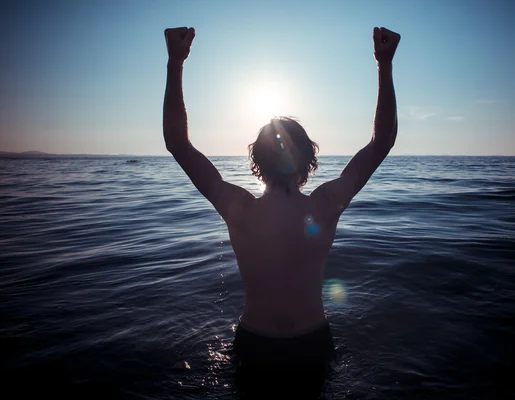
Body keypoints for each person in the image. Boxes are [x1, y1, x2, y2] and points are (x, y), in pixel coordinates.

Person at [163, 26, 400, 397]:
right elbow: (382, 142)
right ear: (309, 160)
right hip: (312, 345)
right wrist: (384, 65)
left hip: (254, 346)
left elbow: (177, 143)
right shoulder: (326, 205)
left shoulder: (238, 207)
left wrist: (175, 62)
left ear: (255, 162)